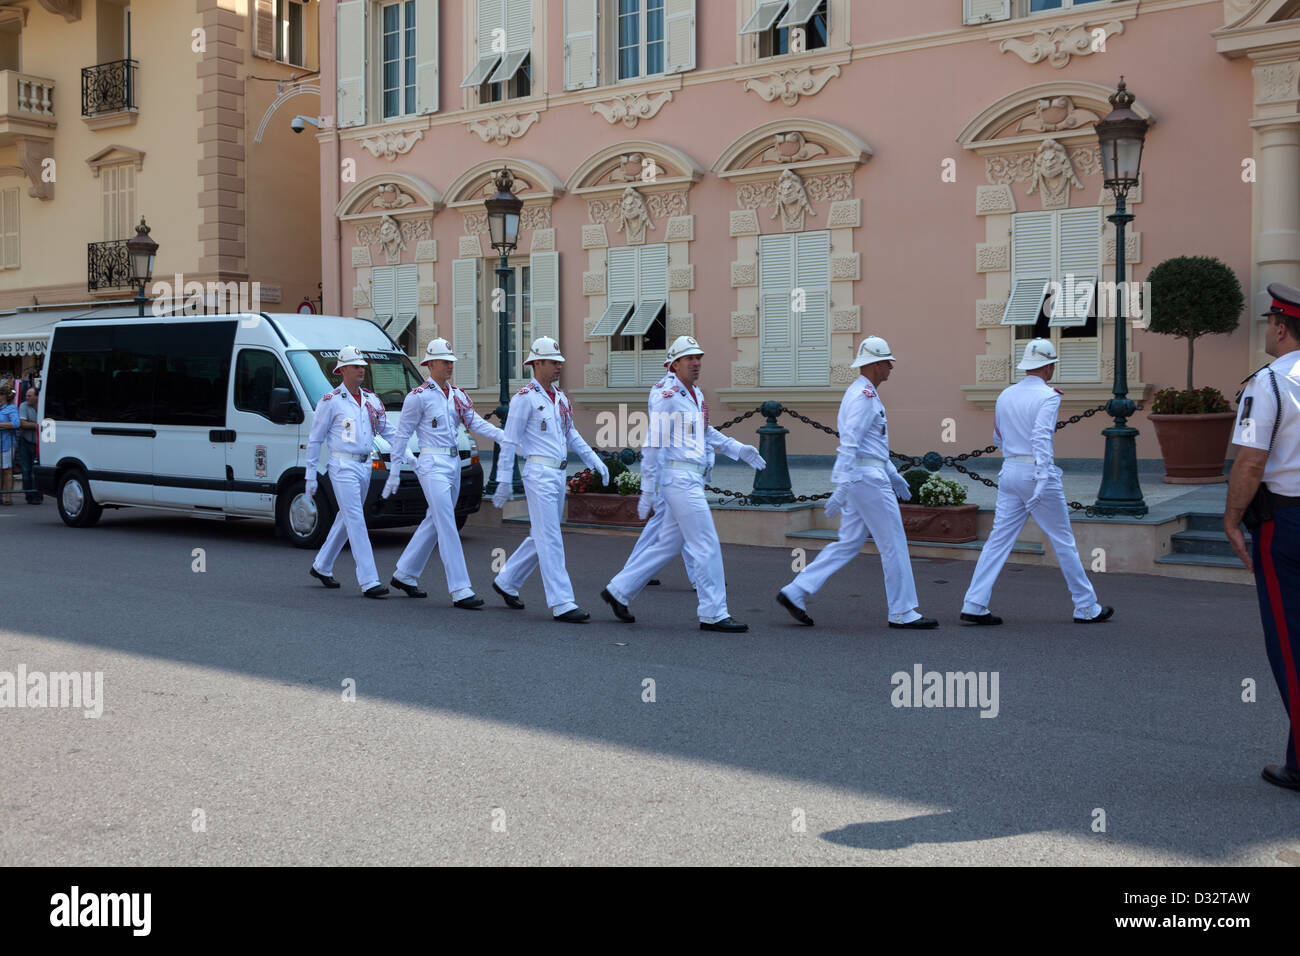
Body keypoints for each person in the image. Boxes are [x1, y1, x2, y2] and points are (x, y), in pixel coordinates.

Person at [601, 336, 766, 633]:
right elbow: (653, 444)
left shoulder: (695, 395)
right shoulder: (667, 395)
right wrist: (647, 490)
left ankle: (618, 590)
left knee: (668, 544)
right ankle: (714, 613)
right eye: (689, 358)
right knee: (706, 543)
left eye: (699, 357)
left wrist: (737, 448)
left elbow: (706, 432)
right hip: (679, 479)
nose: (696, 362)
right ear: (674, 364)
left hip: (690, 477)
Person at [776, 336, 938, 630]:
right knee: (894, 543)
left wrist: (892, 473)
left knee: (848, 543)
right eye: (887, 362)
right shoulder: (864, 397)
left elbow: (869, 445)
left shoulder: (863, 393)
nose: (891, 367)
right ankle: (902, 611)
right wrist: (841, 481)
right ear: (875, 365)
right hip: (866, 480)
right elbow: (850, 443)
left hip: (865, 476)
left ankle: (796, 590)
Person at [958, 338, 1112, 626]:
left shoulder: (1005, 394)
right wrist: (1042, 475)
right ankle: (1086, 606)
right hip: (1036, 472)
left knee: (998, 540)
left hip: (1010, 471)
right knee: (1063, 540)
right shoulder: (1049, 396)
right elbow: (1041, 436)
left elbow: (997, 438)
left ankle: (975, 602)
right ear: (1049, 366)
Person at [1225, 282, 1300, 792]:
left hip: (1287, 524)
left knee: (1291, 643)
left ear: (1279, 327)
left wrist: (1231, 519)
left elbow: (1250, 462)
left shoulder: (1270, 382)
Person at [489, 337, 608, 622]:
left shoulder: (561, 397)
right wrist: (504, 480)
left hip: (558, 473)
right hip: (538, 473)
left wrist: (595, 460)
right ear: (536, 363)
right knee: (551, 537)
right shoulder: (524, 398)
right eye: (553, 362)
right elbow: (509, 442)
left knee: (542, 534)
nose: (558, 367)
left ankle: (506, 580)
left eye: (559, 362)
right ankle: (562, 602)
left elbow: (571, 434)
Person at [383, 337, 505, 608]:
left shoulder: (458, 395)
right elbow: (401, 436)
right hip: (431, 463)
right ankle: (460, 589)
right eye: (444, 361)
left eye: (451, 361)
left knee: (435, 520)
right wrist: (394, 470)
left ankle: (405, 574)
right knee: (447, 522)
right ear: (430, 364)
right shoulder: (418, 397)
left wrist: (504, 436)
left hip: (453, 464)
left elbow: (475, 423)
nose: (449, 366)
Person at [305, 345, 400, 598]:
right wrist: (310, 474)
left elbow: (387, 430)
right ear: (342, 370)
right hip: (342, 464)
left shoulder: (371, 400)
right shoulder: (331, 401)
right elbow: (315, 439)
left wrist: (409, 456)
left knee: (346, 518)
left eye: (362, 366)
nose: (361, 370)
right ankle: (369, 580)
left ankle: (322, 565)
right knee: (356, 519)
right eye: (356, 366)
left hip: (365, 464)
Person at [16, 385, 41, 504]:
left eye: (29, 396)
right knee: (26, 470)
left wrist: (29, 424)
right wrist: (37, 426)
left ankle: (38, 495)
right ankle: (29, 496)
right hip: (26, 442)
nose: (26, 398)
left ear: (37, 397)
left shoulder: (43, 405)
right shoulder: (23, 406)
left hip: (41, 444)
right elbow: (22, 423)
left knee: (36, 471)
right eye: (26, 395)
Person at [0, 384, 17, 505]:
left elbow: (16, 423)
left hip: (7, 442)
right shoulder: (1, 408)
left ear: (4, 396)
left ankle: (8, 497)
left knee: (7, 470)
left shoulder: (11, 408)